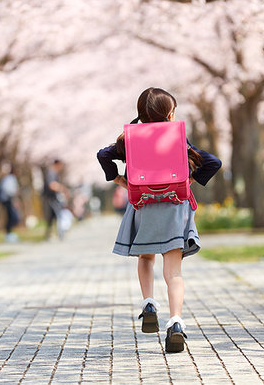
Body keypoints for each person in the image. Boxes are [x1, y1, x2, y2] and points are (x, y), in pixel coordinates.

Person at [97, 87, 222, 353]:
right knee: (174, 272)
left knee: (146, 258)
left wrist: (119, 179)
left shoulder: (129, 139)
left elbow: (103, 155)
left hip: (143, 206)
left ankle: (149, 303)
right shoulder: (177, 138)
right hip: (174, 207)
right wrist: (188, 180)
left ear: (141, 112)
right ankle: (176, 321)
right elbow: (213, 162)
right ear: (170, 113)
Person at [43, 159, 69, 240]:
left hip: (52, 197)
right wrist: (63, 189)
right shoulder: (51, 172)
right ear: (57, 164)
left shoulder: (53, 172)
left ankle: (50, 234)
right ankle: (59, 233)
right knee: (57, 215)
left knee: (52, 216)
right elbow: (52, 185)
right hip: (51, 197)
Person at [0, 167, 20, 243]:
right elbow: (8, 190)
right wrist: (15, 192)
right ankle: (8, 234)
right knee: (12, 217)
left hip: (10, 200)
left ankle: (9, 233)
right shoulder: (10, 178)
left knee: (12, 217)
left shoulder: (10, 178)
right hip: (8, 200)